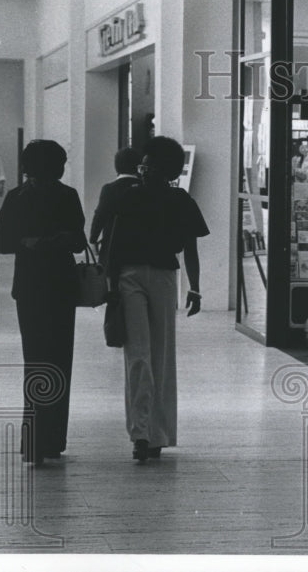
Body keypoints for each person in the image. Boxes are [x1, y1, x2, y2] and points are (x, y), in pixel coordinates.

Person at [106, 136, 209, 462]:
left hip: (164, 276)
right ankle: (141, 433)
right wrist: (110, 289)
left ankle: (157, 434)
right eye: (143, 165)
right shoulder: (127, 197)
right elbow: (113, 244)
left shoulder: (180, 201)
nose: (144, 169)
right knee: (139, 355)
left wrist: (194, 287)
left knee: (161, 357)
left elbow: (190, 249)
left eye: (149, 165)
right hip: (131, 276)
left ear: (166, 170)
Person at [0, 140, 86, 465]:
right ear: (58, 166)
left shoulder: (18, 197)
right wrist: (55, 242)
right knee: (61, 361)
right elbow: (79, 241)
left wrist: (28, 243)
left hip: (30, 288)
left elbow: (0, 242)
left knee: (35, 362)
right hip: (61, 287)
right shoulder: (68, 195)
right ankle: (53, 440)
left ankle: (32, 442)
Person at [89, 147, 141, 266]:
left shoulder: (110, 189)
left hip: (114, 248)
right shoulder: (144, 188)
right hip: (140, 249)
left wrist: (93, 239)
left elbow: (100, 216)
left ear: (116, 166)